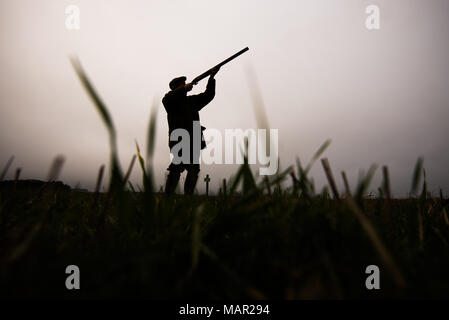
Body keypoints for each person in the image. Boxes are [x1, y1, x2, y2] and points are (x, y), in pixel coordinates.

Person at [162, 67, 220, 195]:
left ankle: (187, 198)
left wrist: (211, 77)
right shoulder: (169, 101)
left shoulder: (191, 101)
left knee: (193, 169)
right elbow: (170, 98)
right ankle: (168, 197)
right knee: (177, 168)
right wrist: (184, 89)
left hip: (193, 140)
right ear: (176, 87)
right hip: (179, 139)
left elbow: (208, 96)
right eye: (182, 84)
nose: (186, 86)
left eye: (185, 84)